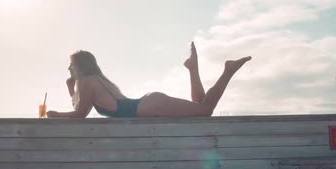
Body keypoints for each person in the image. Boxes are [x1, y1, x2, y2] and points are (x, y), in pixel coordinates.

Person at [46, 42, 251, 118]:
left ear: (79, 66)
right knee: (200, 109)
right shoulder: (98, 80)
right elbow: (81, 107)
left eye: (71, 65)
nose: (69, 68)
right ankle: (192, 69)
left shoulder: (87, 81)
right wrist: (70, 88)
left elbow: (80, 113)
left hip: (148, 106)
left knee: (205, 110)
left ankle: (228, 71)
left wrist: (56, 114)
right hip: (148, 103)